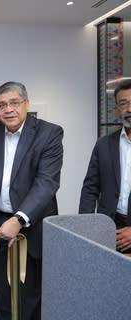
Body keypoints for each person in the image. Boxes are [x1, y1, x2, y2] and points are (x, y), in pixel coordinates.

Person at [0, 81, 63, 320]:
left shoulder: (49, 133)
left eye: (14, 103)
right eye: (2, 105)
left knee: (30, 293)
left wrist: (19, 219)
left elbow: (46, 183)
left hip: (31, 224)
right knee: (3, 289)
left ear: (26, 103)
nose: (9, 109)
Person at [79, 79, 131, 254]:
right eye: (123, 104)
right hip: (108, 231)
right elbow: (90, 188)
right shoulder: (104, 144)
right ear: (117, 108)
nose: (129, 109)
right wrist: (87, 228)